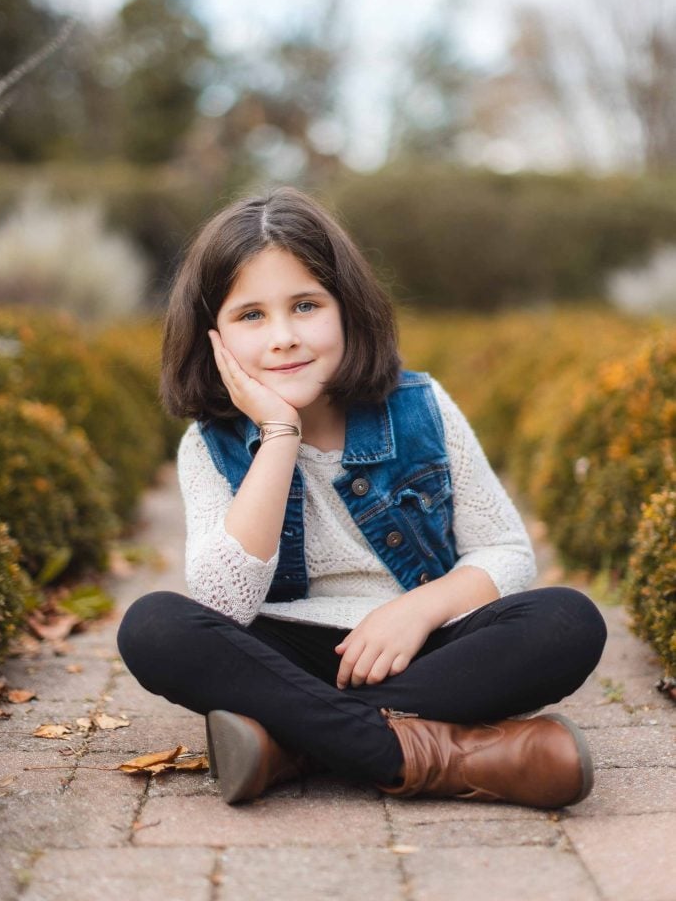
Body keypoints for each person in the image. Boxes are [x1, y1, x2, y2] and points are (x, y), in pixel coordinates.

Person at [117, 186, 607, 808]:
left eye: (304, 305)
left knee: (567, 619)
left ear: (347, 307)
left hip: (426, 654)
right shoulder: (208, 446)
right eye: (251, 315)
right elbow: (223, 602)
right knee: (154, 627)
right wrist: (278, 437)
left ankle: (290, 744)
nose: (284, 337)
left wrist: (418, 610)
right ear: (213, 337)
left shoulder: (421, 408)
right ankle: (436, 754)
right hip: (284, 658)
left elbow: (507, 551)